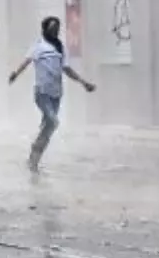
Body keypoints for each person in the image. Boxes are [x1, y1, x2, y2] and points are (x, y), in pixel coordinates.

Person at [8, 16, 96, 170]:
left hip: (56, 94)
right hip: (42, 93)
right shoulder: (38, 46)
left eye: (57, 28)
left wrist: (83, 83)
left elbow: (67, 69)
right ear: (45, 29)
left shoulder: (60, 48)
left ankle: (34, 159)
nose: (55, 31)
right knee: (53, 122)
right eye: (52, 28)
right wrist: (15, 73)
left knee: (49, 128)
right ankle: (35, 148)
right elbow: (26, 62)